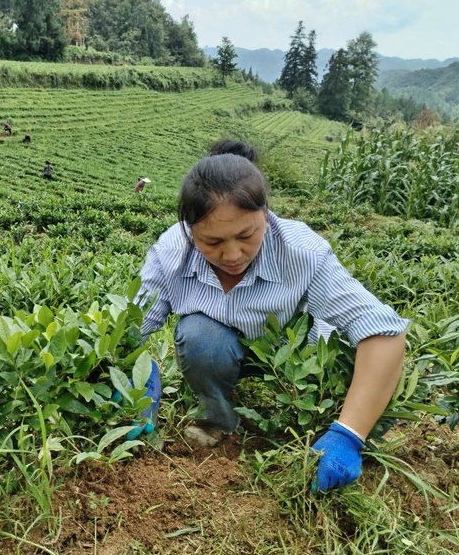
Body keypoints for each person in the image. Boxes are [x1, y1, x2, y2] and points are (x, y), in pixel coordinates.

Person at [135, 150, 407, 492]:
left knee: (363, 392)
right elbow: (130, 327)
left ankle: (317, 426)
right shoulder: (171, 251)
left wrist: (349, 434)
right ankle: (218, 421)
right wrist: (138, 378)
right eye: (213, 242)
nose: (232, 255)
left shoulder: (302, 252)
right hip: (220, 352)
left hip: (295, 361)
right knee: (198, 335)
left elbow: (384, 331)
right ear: (190, 231)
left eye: (247, 235)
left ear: (266, 215)